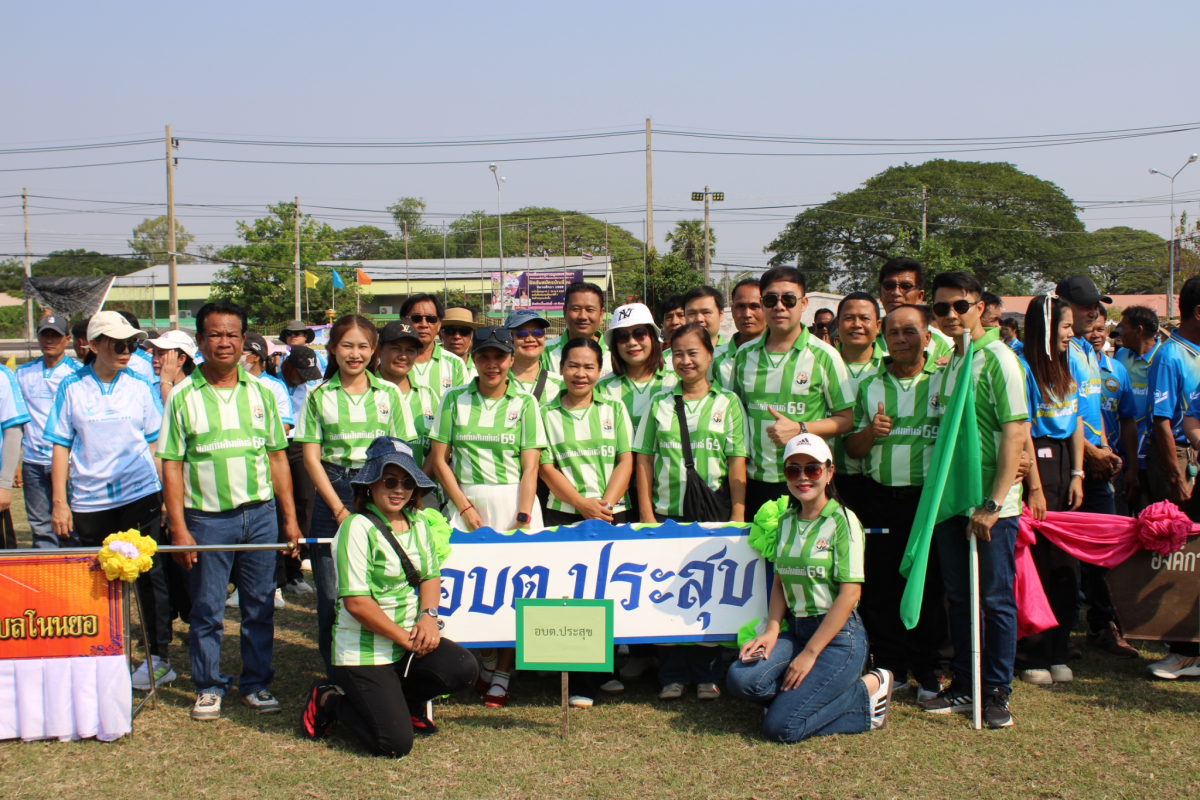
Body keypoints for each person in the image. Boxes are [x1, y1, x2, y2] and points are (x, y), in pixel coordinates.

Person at [157, 301, 301, 720]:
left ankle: (255, 683)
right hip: (207, 518)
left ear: (244, 340)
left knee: (259, 604)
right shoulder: (183, 395)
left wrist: (289, 519)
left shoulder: (262, 391)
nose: (224, 342)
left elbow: (277, 458)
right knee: (207, 607)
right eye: (215, 335)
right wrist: (179, 528)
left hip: (260, 516)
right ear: (200, 341)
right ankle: (208, 684)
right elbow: (171, 464)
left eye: (232, 334)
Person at [300, 437, 477, 756]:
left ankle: (402, 703)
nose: (399, 489)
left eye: (408, 482)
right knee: (394, 744)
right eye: (390, 480)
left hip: (407, 642)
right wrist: (406, 639)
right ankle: (329, 699)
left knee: (463, 667)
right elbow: (356, 603)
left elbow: (429, 576)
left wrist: (428, 617)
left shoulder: (419, 522)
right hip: (364, 652)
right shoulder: (356, 528)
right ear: (369, 484)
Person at [727, 433, 893, 742]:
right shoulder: (787, 520)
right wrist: (772, 631)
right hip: (797, 631)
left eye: (813, 469)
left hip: (839, 639)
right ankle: (801, 700)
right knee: (742, 679)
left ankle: (868, 692)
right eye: (793, 469)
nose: (803, 477)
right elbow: (779, 579)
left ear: (829, 472)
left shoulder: (844, 520)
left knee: (781, 728)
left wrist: (811, 654)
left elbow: (850, 594)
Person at [920, 270, 1028, 728]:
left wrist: (993, 502)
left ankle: (997, 690)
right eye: (940, 308)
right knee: (960, 599)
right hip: (950, 501)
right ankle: (967, 685)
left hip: (989, 507)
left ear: (980, 307)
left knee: (995, 599)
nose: (950, 315)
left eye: (959, 306)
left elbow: (1015, 433)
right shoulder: (952, 361)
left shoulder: (999, 359)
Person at [46, 311, 172, 693]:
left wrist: (166, 494)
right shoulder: (71, 386)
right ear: (93, 344)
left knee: (150, 578)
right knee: (96, 581)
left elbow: (154, 443)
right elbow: (60, 445)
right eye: (118, 344)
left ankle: (158, 657)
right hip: (89, 502)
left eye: (131, 344)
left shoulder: (139, 384)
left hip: (140, 496)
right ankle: (100, 653)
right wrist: (59, 502)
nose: (127, 351)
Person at [429, 325, 547, 707]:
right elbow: (439, 460)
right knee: (468, 589)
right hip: (466, 504)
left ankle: (502, 675)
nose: (492, 364)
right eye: (484, 356)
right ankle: (483, 659)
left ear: (511, 359)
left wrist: (524, 515)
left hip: (514, 502)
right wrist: (463, 506)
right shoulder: (454, 399)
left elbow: (531, 466)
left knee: (514, 592)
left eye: (499, 356)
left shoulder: (525, 402)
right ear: (473, 359)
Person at [633, 323, 747, 700]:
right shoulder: (660, 403)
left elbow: (736, 463)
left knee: (709, 594)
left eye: (693, 352)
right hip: (667, 513)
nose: (685, 360)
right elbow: (644, 461)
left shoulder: (727, 403)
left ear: (710, 355)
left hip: (714, 516)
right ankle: (672, 675)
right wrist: (647, 514)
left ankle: (706, 674)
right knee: (668, 595)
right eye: (677, 353)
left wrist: (738, 514)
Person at [843, 304, 946, 702]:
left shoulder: (943, 381)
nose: (901, 339)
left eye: (910, 331)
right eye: (893, 333)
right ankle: (891, 666)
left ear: (927, 335)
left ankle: (928, 667)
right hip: (879, 500)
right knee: (882, 584)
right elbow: (851, 449)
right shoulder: (869, 384)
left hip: (927, 503)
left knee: (928, 585)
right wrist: (871, 432)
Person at [298, 315, 406, 678]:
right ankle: (338, 677)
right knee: (331, 596)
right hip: (332, 493)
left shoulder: (389, 394)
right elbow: (311, 457)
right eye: (347, 345)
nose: (355, 354)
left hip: (378, 491)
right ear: (332, 348)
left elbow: (400, 453)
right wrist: (338, 508)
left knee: (381, 587)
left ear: (374, 350)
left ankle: (382, 672)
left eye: (363, 346)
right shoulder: (317, 395)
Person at [539, 338, 633, 707]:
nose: (581, 374)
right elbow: (546, 467)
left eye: (589, 367)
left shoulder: (614, 407)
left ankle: (604, 668)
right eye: (573, 366)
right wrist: (580, 504)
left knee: (607, 591)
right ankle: (578, 678)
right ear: (561, 369)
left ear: (600, 370)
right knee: (571, 593)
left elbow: (625, 459)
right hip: (564, 512)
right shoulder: (544, 413)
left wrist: (604, 505)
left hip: (611, 510)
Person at [732, 266, 854, 521]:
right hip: (754, 482)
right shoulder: (744, 355)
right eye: (770, 299)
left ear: (804, 303)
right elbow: (735, 418)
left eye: (788, 299)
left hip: (807, 481)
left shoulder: (825, 356)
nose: (779, 307)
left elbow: (846, 419)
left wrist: (800, 428)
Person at [1015, 295, 1084, 685]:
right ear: (1044, 328)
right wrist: (1035, 488)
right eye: (1064, 326)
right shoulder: (1022, 365)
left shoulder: (1067, 362)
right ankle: (1032, 655)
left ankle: (1059, 650)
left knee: (1064, 566)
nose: (1070, 334)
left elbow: (1073, 420)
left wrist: (1077, 472)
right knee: (1035, 567)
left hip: (1064, 466)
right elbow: (1023, 429)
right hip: (1035, 464)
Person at [1144, 276, 1200, 679]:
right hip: (1178, 459)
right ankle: (1180, 649)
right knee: (1180, 553)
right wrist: (1177, 476)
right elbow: (1163, 422)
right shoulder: (1170, 355)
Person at [1082, 316, 1141, 658]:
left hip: (1109, 471)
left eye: (1102, 327)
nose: (1097, 333)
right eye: (1090, 325)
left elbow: (1126, 419)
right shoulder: (1070, 362)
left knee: (1107, 550)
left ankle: (1103, 623)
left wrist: (1128, 465)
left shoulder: (1116, 369)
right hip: (1076, 466)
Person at [240, 331, 296, 611]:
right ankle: (240, 587)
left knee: (270, 532)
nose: (239, 358)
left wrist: (251, 438)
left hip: (266, 468)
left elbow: (284, 428)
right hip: (238, 474)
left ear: (256, 357)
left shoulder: (273, 387)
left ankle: (273, 587)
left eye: (244, 353)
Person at [16, 314, 80, 548]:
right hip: (33, 462)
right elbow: (17, 420)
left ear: (67, 339)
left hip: (68, 463)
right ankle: (47, 581)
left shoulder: (78, 373)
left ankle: (74, 580)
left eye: (56, 335)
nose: (50, 340)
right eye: (45, 335)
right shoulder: (23, 373)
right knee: (41, 527)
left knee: (70, 527)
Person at [829, 292, 883, 517]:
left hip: (873, 483)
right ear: (838, 324)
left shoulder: (890, 367)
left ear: (878, 325)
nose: (857, 325)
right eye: (849, 318)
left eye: (865, 318)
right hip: (823, 478)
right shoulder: (822, 363)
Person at [280, 345, 324, 593]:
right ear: (288, 367)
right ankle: (280, 573)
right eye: (299, 373)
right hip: (276, 444)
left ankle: (300, 560)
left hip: (300, 442)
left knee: (306, 500)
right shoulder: (271, 384)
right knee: (278, 507)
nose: (303, 380)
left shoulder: (307, 388)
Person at [1113, 305, 1161, 518]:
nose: (1119, 333)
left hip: (1149, 457)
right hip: (1120, 454)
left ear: (1138, 330)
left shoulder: (1163, 359)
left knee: (1150, 519)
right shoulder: (1120, 355)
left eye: (1123, 327)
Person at [374, 321, 436, 469]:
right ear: (378, 350)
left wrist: (419, 487)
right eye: (396, 349)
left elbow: (437, 450)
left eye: (410, 350)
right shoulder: (366, 391)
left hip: (422, 488)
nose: (403, 356)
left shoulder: (428, 395)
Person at [876, 256, 954, 360]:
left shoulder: (942, 343)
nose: (896, 293)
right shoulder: (865, 336)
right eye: (889, 286)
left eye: (906, 286)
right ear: (880, 293)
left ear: (920, 296)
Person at [400, 294, 469, 399]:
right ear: (403, 321)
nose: (424, 324)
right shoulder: (391, 362)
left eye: (431, 319)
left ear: (439, 324)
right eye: (416, 318)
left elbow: (462, 407)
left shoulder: (455, 364)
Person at [542, 282, 608, 375]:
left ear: (601, 314)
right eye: (576, 309)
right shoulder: (543, 351)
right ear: (565, 312)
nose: (583, 316)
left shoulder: (616, 353)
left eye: (590, 310)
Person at [711, 278, 765, 388]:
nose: (747, 314)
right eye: (740, 306)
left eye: (755, 306)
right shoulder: (715, 358)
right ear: (732, 310)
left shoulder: (782, 355)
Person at [504, 310, 565, 402]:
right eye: (522, 333)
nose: (530, 339)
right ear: (508, 338)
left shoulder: (561, 384)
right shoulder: (497, 382)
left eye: (537, 333)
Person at [683, 285, 728, 373]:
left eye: (706, 312)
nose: (699, 319)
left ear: (721, 314)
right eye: (692, 313)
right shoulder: (666, 358)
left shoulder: (735, 356)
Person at [147, 329, 196, 406]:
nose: (154, 360)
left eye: (161, 354)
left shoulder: (194, 389)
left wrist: (166, 381)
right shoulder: (150, 389)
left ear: (181, 359)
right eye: (153, 354)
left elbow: (173, 414)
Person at [437, 306, 480, 380]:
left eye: (464, 331)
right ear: (440, 335)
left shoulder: (481, 367)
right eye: (450, 330)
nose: (457, 336)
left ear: (472, 336)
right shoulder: (428, 363)